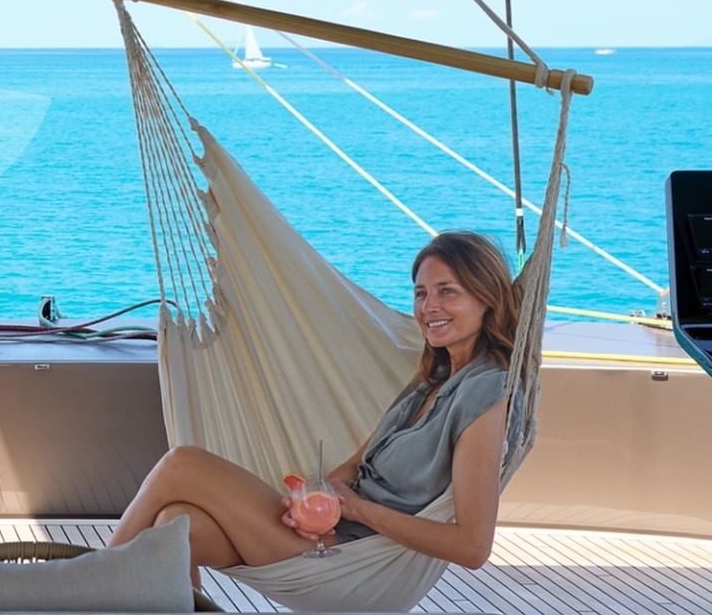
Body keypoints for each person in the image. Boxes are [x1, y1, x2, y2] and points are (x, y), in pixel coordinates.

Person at [111, 231, 515, 584]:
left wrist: (358, 510)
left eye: (447, 291)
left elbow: (472, 547)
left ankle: (91, 588)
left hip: (353, 559)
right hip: (326, 530)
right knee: (174, 527)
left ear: (487, 297)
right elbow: (355, 466)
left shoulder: (483, 394)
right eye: (421, 293)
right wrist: (309, 500)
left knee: (182, 464)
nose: (428, 307)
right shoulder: (430, 381)